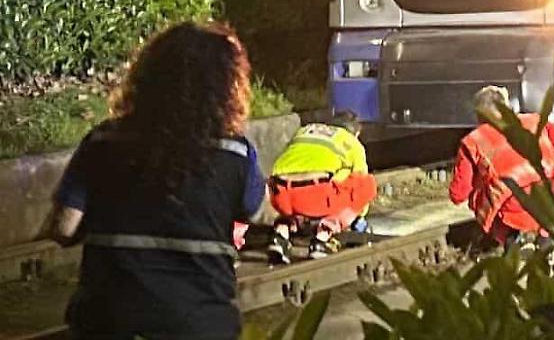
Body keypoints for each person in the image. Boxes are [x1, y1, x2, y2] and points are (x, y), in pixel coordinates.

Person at [49, 22, 266, 340]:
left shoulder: (102, 142)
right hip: (200, 324)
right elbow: (258, 211)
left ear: (147, 78)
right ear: (226, 86)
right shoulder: (234, 152)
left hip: (109, 321)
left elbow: (63, 228)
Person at [449, 86, 554, 249]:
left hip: (513, 207)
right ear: (507, 108)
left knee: (481, 192)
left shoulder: (472, 142)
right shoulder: (535, 122)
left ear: (479, 115)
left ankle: (511, 239)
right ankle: (546, 242)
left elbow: (458, 194)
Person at [266, 111, 377, 264]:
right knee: (367, 184)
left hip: (280, 194)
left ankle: (280, 236)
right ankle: (321, 240)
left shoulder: (305, 130)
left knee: (297, 195)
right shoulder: (351, 141)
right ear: (355, 132)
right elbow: (360, 182)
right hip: (317, 196)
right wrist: (356, 218)